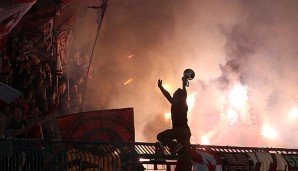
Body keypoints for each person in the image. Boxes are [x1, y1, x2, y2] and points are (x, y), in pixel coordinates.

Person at [156, 77, 192, 171]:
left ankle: (175, 145)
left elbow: (168, 96)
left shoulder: (177, 102)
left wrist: (161, 87)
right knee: (186, 157)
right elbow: (184, 93)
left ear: (179, 96)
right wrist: (184, 85)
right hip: (186, 133)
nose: (173, 94)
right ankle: (178, 148)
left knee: (160, 136)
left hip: (179, 131)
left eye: (175, 93)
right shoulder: (184, 103)